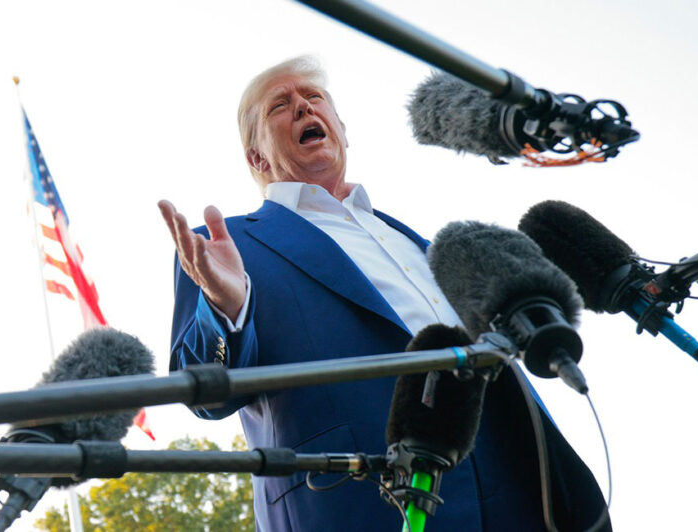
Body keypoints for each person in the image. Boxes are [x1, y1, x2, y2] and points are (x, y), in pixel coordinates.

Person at [159, 56, 608, 531]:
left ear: (342, 130)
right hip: (363, 497)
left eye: (314, 98)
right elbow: (205, 395)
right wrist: (225, 309)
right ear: (258, 158)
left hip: (520, 484)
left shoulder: (420, 241)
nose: (304, 108)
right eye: (280, 105)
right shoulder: (224, 246)